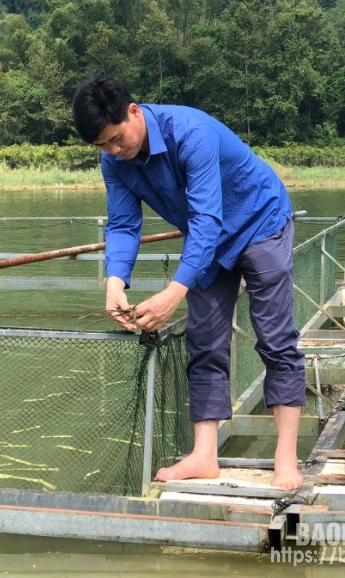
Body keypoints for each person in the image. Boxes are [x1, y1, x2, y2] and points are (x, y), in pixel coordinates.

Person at [71, 75, 306, 490]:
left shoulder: (190, 133)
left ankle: (285, 456)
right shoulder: (114, 162)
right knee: (204, 339)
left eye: (116, 139)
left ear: (133, 111)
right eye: (102, 146)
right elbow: (124, 223)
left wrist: (173, 293)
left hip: (260, 222)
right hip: (208, 239)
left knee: (274, 337)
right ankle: (204, 455)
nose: (113, 151)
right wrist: (114, 281)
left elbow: (206, 220)